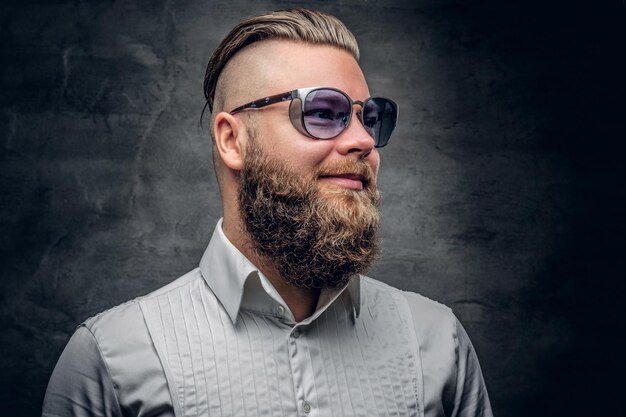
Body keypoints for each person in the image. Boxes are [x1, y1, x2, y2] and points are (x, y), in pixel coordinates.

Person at [42, 8, 492, 417]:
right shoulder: (111, 359)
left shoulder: (437, 343)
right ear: (232, 141)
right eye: (322, 111)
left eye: (368, 117)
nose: (364, 142)